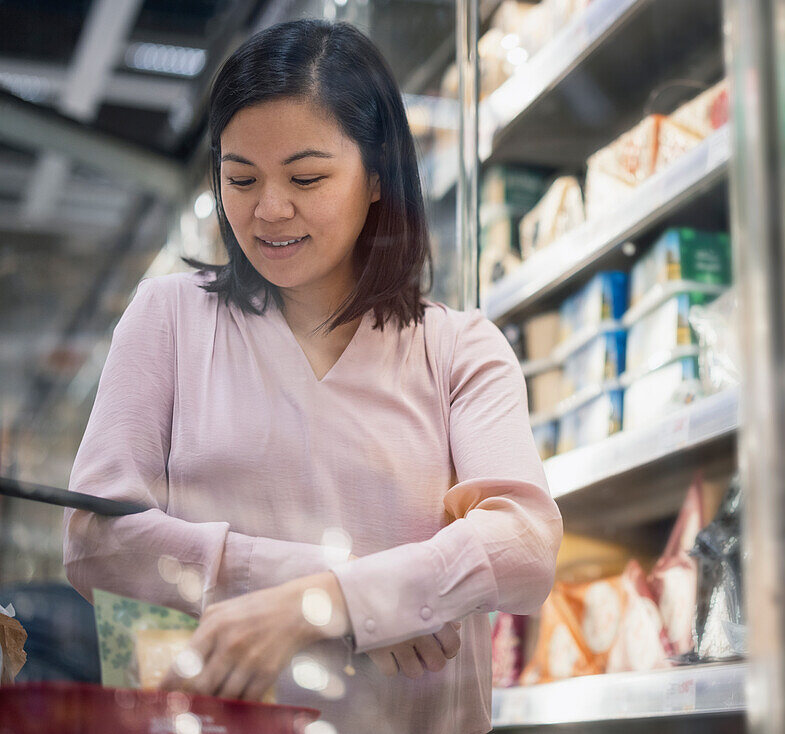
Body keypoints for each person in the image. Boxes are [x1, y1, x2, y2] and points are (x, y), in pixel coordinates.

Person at [62, 18, 562, 734]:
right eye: (240, 178)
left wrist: (321, 604)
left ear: (379, 176)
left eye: (306, 177)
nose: (268, 209)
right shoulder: (168, 318)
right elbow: (95, 541)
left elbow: (524, 544)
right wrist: (340, 592)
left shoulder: (459, 347)